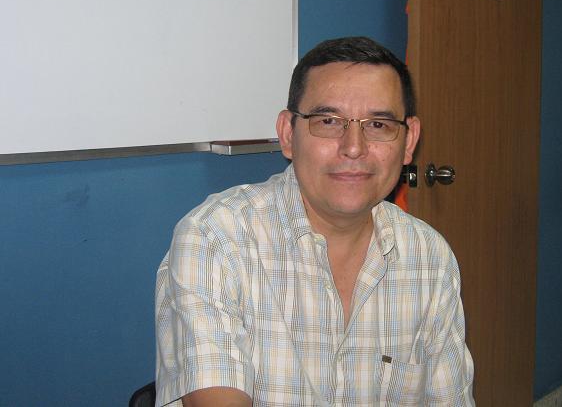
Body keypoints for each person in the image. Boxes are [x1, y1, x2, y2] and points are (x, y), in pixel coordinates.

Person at [155, 36, 475, 406]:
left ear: (409, 141)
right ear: (288, 134)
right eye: (328, 121)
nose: (353, 147)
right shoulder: (216, 238)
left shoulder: (429, 257)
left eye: (378, 124)